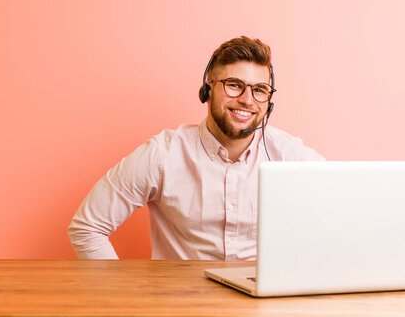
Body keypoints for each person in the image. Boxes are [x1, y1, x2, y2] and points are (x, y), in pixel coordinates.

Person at [68, 36, 324, 260]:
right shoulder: (163, 154)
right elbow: (87, 227)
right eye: (234, 84)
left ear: (269, 101)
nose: (247, 100)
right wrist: (122, 296)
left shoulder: (289, 154)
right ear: (207, 88)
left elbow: (346, 213)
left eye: (260, 90)